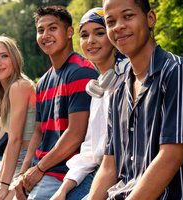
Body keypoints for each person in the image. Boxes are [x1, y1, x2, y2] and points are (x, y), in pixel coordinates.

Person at [88, 0, 183, 199]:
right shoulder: (118, 92)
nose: (119, 27)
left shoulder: (177, 72)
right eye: (111, 22)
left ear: (150, 18)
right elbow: (109, 167)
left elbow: (171, 157)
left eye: (128, 16)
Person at [14, 5, 99, 200]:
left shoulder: (81, 73)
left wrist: (38, 169)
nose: (45, 35)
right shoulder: (43, 82)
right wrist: (24, 173)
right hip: (43, 169)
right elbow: (38, 131)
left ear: (69, 32)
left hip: (66, 172)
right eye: (40, 30)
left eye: (53, 28)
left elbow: (76, 134)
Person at [50, 7, 128, 200]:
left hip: (123, 178)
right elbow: (90, 151)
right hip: (97, 172)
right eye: (84, 35)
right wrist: (62, 190)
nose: (91, 41)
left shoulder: (129, 82)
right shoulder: (98, 88)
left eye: (99, 33)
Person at [0, 36, 36, 200]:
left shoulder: (19, 86)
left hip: (28, 160)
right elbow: (9, 145)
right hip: (15, 159)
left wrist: (3, 186)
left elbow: (15, 140)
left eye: (4, 56)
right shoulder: (2, 92)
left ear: (15, 58)